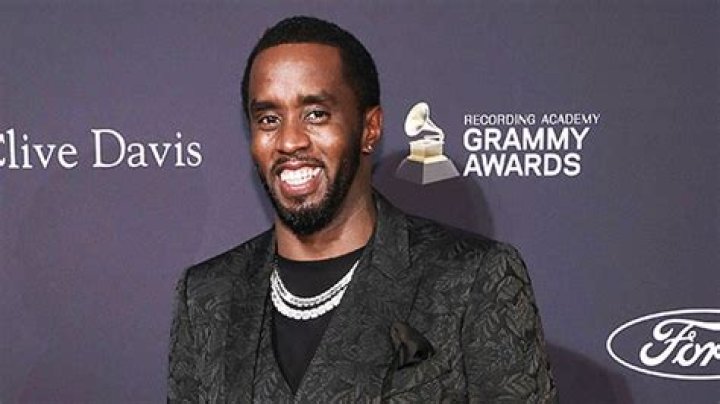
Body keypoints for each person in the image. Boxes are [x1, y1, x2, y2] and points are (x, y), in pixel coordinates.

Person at [168, 15, 557, 403]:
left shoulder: (474, 279)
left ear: (369, 129)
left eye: (315, 114)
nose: (289, 141)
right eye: (269, 119)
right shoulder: (206, 294)